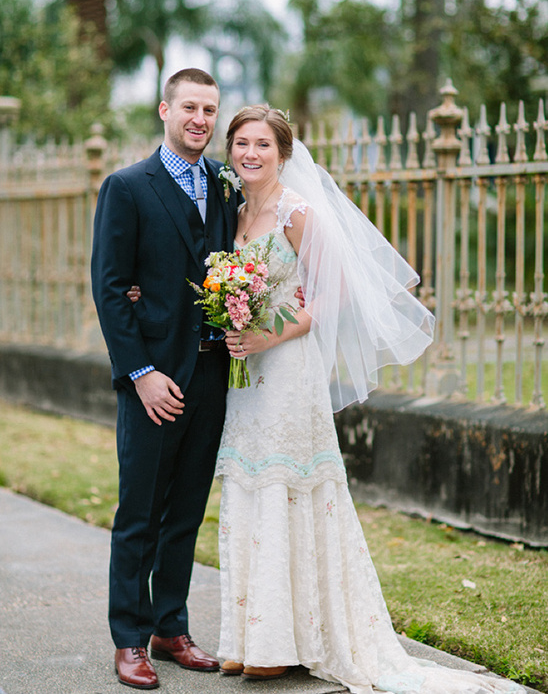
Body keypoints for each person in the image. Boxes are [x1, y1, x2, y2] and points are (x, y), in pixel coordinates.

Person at [214, 105, 523, 694]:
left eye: (262, 145)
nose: (250, 154)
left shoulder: (298, 212)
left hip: (288, 366)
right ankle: (250, 638)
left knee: (286, 484)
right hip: (247, 372)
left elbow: (333, 295)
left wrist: (268, 333)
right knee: (250, 482)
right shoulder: (236, 209)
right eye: (241, 144)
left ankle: (286, 643)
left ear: (283, 153)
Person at [91, 68, 241, 690]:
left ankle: (170, 626)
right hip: (153, 381)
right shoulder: (126, 187)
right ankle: (129, 638)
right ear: (164, 109)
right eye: (189, 107)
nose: (200, 119)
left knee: (186, 510)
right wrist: (142, 372)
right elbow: (109, 287)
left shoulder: (227, 188)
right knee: (140, 511)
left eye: (209, 109)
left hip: (212, 374)